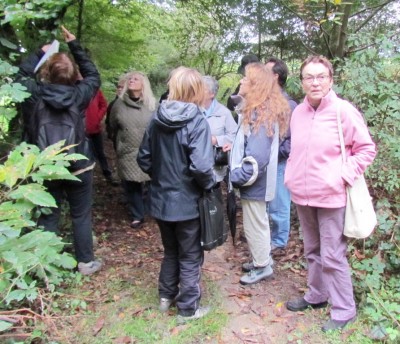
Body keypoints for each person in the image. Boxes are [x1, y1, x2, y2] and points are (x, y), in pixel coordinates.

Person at [284, 56, 376, 332]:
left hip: (332, 195)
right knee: (312, 249)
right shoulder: (298, 113)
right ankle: (317, 295)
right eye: (309, 77)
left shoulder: (343, 111)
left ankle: (344, 309)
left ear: (330, 79)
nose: (315, 82)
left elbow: (366, 149)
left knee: (333, 254)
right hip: (302, 194)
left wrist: (342, 176)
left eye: (321, 76)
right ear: (301, 82)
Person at [15, 26, 102, 275]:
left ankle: (45, 264)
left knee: (48, 217)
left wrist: (39, 53)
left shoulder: (33, 94)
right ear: (74, 73)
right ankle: (85, 263)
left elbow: (20, 78)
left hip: (45, 165)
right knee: (81, 216)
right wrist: (74, 45)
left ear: (45, 72)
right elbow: (93, 76)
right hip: (79, 165)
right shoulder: (79, 94)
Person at [137, 66, 215, 323]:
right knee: (190, 253)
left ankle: (165, 297)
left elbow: (144, 159)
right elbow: (202, 166)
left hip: (161, 200)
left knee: (171, 250)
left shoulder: (156, 118)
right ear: (196, 90)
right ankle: (188, 308)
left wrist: (161, 177)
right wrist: (208, 184)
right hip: (187, 201)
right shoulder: (197, 121)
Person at [229, 62, 291, 285]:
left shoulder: (260, 113)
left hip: (255, 182)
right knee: (257, 222)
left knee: (255, 224)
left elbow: (257, 157)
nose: (242, 82)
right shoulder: (255, 109)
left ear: (256, 85)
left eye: (246, 79)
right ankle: (260, 259)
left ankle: (262, 266)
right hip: (255, 181)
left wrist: (237, 176)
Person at [108, 71, 156, 229]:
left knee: (151, 180)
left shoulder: (152, 105)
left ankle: (150, 209)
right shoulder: (118, 105)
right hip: (127, 150)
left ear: (144, 84)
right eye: (130, 78)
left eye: (136, 79)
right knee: (131, 183)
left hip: (149, 149)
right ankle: (138, 215)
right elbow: (112, 126)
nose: (132, 81)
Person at [264, 57, 297, 253]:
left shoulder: (288, 104)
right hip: (265, 162)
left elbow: (292, 139)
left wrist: (276, 154)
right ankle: (268, 239)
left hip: (279, 162)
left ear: (276, 76)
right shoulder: (266, 100)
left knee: (279, 204)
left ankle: (279, 241)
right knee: (267, 203)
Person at [202, 75, 238, 184]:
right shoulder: (192, 110)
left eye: (201, 89)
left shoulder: (224, 113)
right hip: (194, 169)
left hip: (215, 171)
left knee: (213, 199)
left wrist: (217, 140)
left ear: (212, 94)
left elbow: (235, 136)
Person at [85, 89, 117, 185]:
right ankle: (86, 180)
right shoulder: (75, 89)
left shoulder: (95, 90)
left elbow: (103, 105)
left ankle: (107, 174)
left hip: (95, 129)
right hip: (79, 131)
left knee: (100, 153)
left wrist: (97, 118)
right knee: (84, 155)